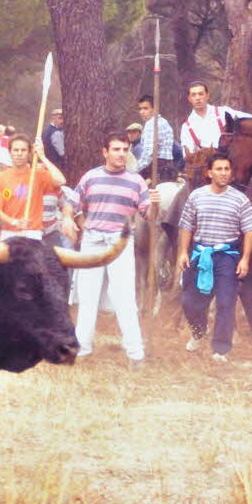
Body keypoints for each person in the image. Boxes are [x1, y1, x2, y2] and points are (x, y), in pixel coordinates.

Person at [60, 132, 161, 368]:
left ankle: (135, 354)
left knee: (125, 298)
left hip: (120, 242)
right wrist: (67, 219)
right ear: (105, 152)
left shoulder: (136, 181)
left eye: (125, 149)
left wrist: (155, 203)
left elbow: (150, 215)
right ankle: (82, 350)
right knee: (88, 298)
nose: (121, 154)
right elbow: (70, 203)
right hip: (92, 241)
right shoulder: (91, 177)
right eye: (116, 149)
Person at [177, 153, 252, 362]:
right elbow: (186, 225)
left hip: (226, 257)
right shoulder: (197, 196)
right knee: (190, 301)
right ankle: (198, 331)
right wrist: (183, 252)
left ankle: (220, 350)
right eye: (219, 169)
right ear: (209, 173)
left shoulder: (240, 199)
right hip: (200, 254)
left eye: (227, 169)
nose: (223, 173)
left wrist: (245, 259)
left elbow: (250, 230)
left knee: (225, 303)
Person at [0, 135, 67, 240]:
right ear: (10, 153)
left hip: (32, 232)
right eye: (16, 150)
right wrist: (14, 222)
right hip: (7, 233)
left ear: (29, 153)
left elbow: (61, 180)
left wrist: (42, 156)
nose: (19, 153)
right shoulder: (0, 178)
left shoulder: (38, 175)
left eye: (23, 150)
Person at [179, 81, 250, 156]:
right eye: (193, 95)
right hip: (207, 165)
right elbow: (188, 156)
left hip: (230, 161)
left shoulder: (223, 112)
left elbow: (251, 120)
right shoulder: (187, 127)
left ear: (207, 96)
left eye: (201, 94)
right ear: (189, 99)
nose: (197, 98)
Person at [134, 94, 182, 182]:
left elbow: (149, 154)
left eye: (145, 108)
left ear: (154, 108)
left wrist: (134, 170)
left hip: (154, 169)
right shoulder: (164, 122)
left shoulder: (151, 124)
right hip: (168, 167)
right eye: (140, 109)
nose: (141, 112)